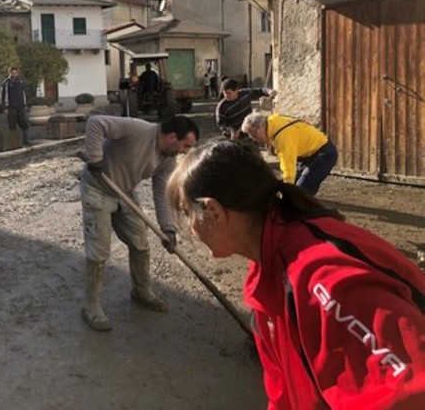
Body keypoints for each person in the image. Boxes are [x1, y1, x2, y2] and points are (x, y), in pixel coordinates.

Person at [167, 139, 425, 410]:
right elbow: (283, 390)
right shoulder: (267, 267)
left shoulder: (323, 280)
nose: (189, 227)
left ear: (214, 211)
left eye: (187, 213)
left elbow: (411, 393)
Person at [80, 114, 199, 331]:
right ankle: (92, 306)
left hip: (124, 192)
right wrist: (95, 158)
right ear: (172, 137)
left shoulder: (167, 160)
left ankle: (141, 291)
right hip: (97, 188)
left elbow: (162, 194)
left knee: (140, 244)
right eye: (186, 145)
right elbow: (95, 123)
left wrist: (168, 228)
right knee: (99, 251)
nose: (186, 151)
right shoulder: (137, 129)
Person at [242, 112, 338, 195]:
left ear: (261, 127)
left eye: (253, 134)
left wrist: (287, 193)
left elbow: (288, 168)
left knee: (299, 191)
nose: (253, 138)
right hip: (309, 154)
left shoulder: (283, 138)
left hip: (324, 154)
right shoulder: (273, 122)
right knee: (297, 187)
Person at [0, 66, 29, 145]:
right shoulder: (6, 83)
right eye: (12, 73)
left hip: (20, 106)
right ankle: (14, 142)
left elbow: (24, 94)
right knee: (12, 124)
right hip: (11, 107)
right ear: (10, 73)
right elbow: (3, 95)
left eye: (15, 72)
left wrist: (25, 104)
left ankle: (25, 140)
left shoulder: (21, 82)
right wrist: (5, 107)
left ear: (17, 73)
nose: (14, 74)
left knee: (23, 122)